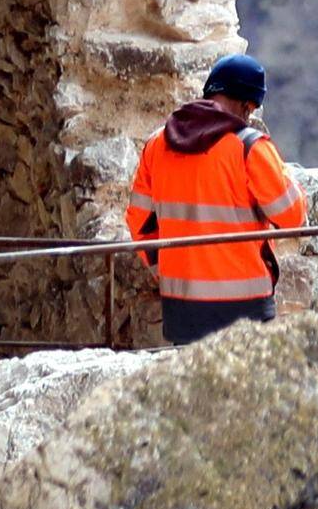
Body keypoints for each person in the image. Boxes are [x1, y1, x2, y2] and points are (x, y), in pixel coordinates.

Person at [125, 52, 308, 344]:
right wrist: (282, 171)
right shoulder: (249, 146)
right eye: (250, 109)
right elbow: (291, 215)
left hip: (181, 304)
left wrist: (167, 269)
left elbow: (139, 222)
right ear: (247, 105)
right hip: (245, 304)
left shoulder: (157, 143)